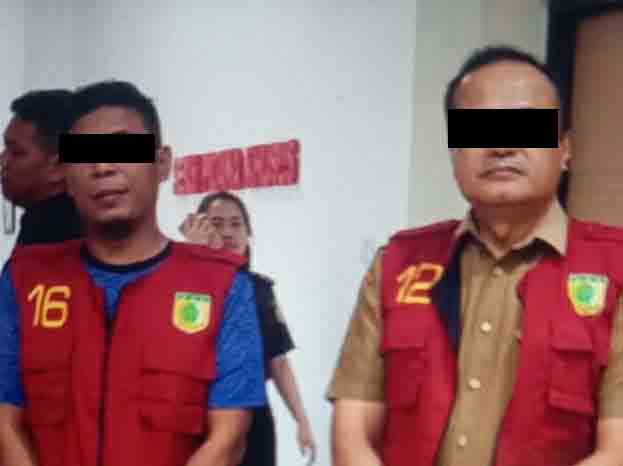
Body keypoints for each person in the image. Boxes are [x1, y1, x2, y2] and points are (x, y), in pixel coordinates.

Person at [328, 45, 623, 466]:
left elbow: (617, 451)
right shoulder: (398, 264)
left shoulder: (614, 270)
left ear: (565, 149)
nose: (501, 145)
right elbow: (352, 432)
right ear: (455, 152)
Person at [0, 81, 267, 466]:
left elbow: (228, 440)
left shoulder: (223, 285)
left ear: (162, 163)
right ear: (66, 174)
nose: (104, 167)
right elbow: (5, 424)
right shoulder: (24, 280)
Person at [180, 191, 317, 466]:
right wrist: (193, 257)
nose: (227, 233)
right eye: (216, 223)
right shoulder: (183, 286)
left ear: (248, 232)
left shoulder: (260, 289)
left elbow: (279, 362)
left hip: (254, 418)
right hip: (200, 415)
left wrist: (301, 419)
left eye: (236, 224)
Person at [1, 89, 83, 245]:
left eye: (16, 152)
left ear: (59, 167)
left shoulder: (52, 232)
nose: (3, 161)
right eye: (5, 148)